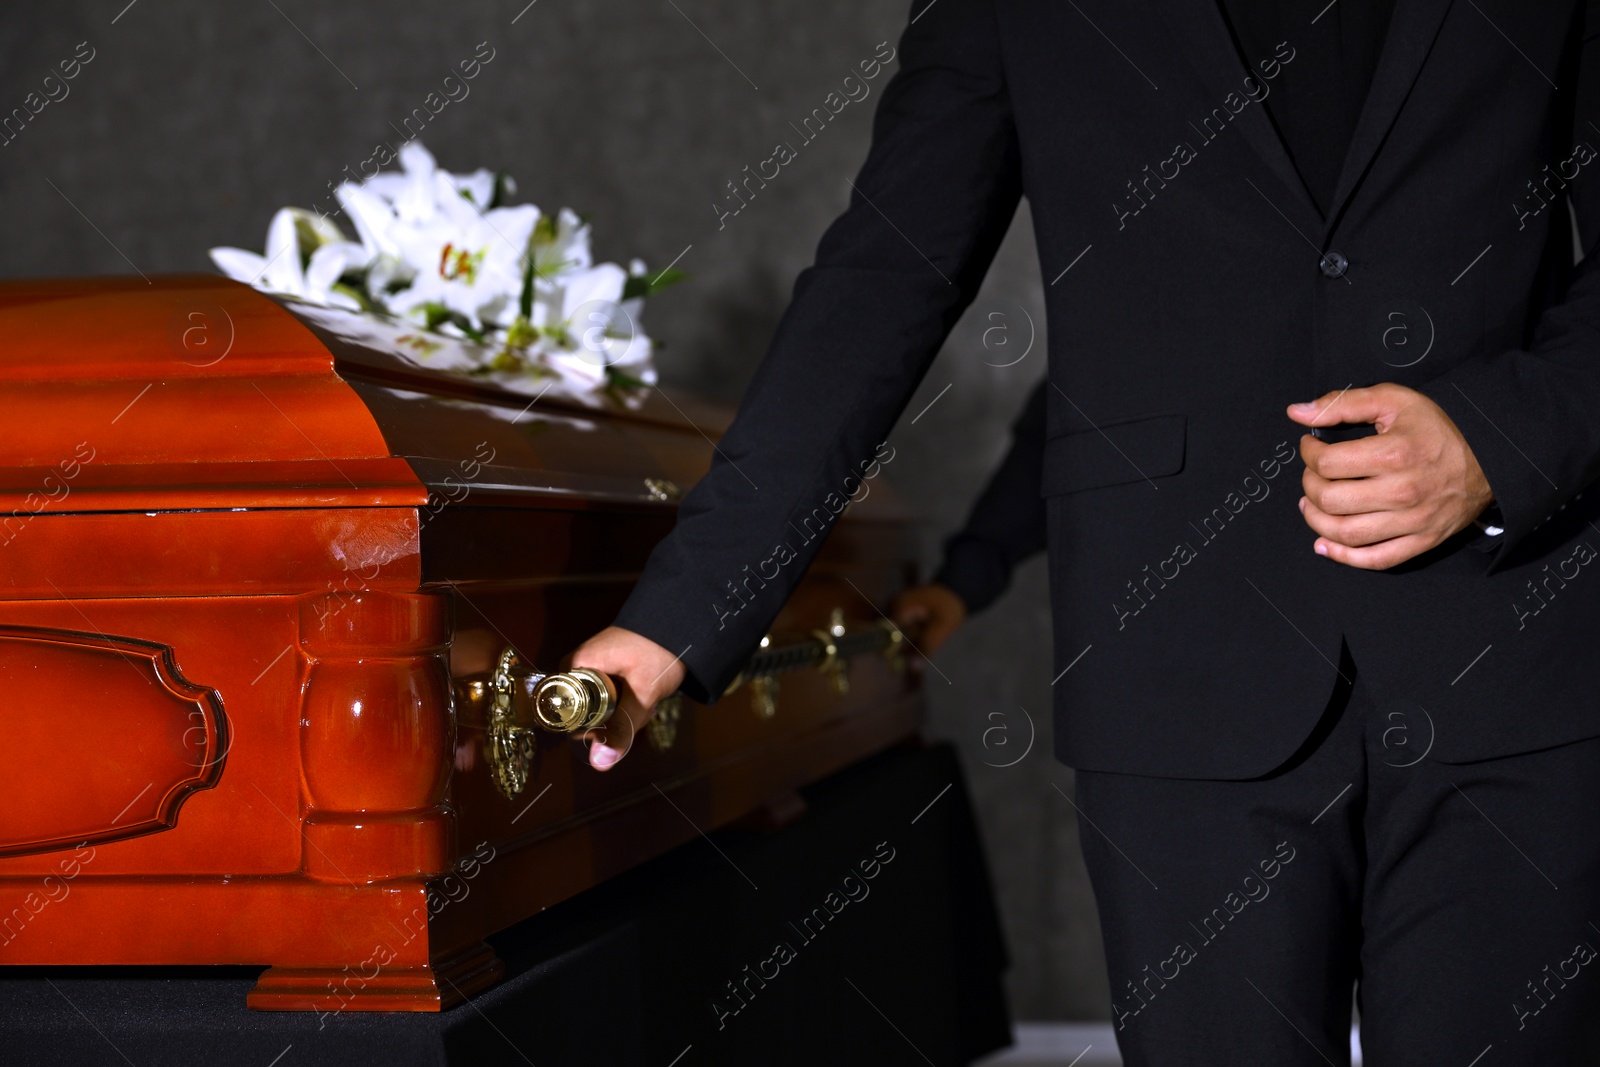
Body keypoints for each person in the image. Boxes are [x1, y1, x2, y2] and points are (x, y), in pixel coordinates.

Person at [568, 1, 1600, 1061]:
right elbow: (883, 277)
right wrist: (679, 616)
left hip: (1516, 644)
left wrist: (1496, 440)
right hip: (1179, 663)